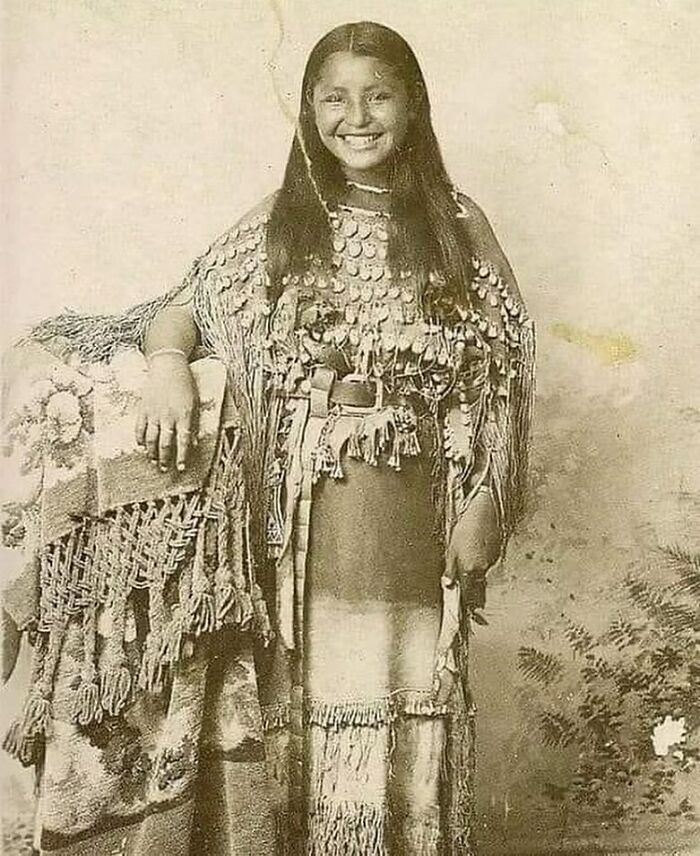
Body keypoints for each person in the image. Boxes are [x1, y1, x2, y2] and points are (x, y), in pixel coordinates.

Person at [1, 20, 534, 856]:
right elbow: (179, 307)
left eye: (379, 95)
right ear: (308, 111)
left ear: (415, 105)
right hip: (301, 530)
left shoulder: (460, 227)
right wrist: (173, 367)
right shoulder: (286, 221)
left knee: (405, 708)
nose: (357, 117)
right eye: (335, 98)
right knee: (300, 720)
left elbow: (502, 381)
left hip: (412, 521)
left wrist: (489, 503)